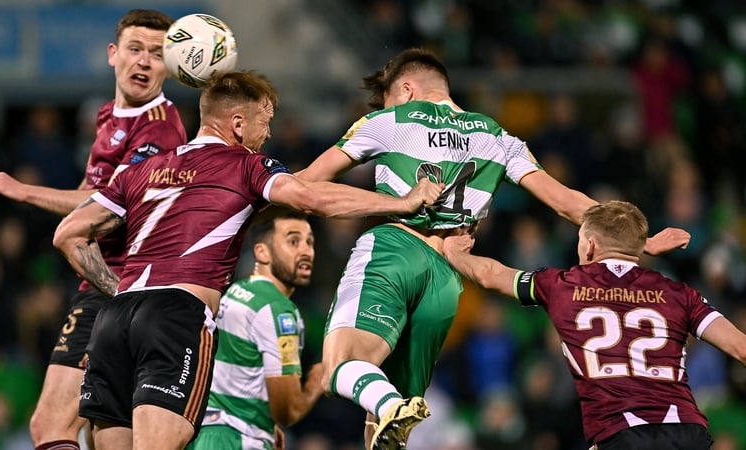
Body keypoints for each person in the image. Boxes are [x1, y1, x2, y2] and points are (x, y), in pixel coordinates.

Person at [295, 48, 691, 450]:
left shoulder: (388, 121)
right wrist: (641, 240)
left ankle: (387, 401)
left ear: (407, 89)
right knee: (384, 425)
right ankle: (389, 406)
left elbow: (307, 183)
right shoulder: (498, 139)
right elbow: (566, 201)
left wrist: (253, 201)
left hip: (395, 248)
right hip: (446, 278)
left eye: (391, 97)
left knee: (341, 367)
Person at [51, 70, 442, 450]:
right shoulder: (245, 165)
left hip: (114, 319)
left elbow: (68, 234)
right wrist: (402, 203)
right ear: (238, 123)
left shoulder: (142, 171)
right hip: (176, 316)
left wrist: (119, 289)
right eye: (264, 121)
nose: (268, 134)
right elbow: (312, 198)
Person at [0, 9, 186, 450]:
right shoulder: (109, 117)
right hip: (112, 286)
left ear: (169, 66)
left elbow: (110, 206)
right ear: (112, 54)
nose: (143, 62)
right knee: (106, 436)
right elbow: (92, 189)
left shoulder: (160, 129)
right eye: (135, 49)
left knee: (50, 425)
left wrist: (24, 191)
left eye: (157, 54)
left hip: (119, 286)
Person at [442, 200, 746, 450]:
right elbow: (740, 348)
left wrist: (454, 253)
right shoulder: (680, 293)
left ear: (590, 245)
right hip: (686, 431)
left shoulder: (562, 286)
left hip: (622, 433)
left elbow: (490, 275)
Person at [188, 211, 323, 450]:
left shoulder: (236, 291)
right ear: (262, 252)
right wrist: (318, 377)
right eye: (293, 241)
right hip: (237, 438)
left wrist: (266, 425)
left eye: (310, 242)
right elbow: (287, 411)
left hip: (206, 434)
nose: (306, 251)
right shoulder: (278, 310)